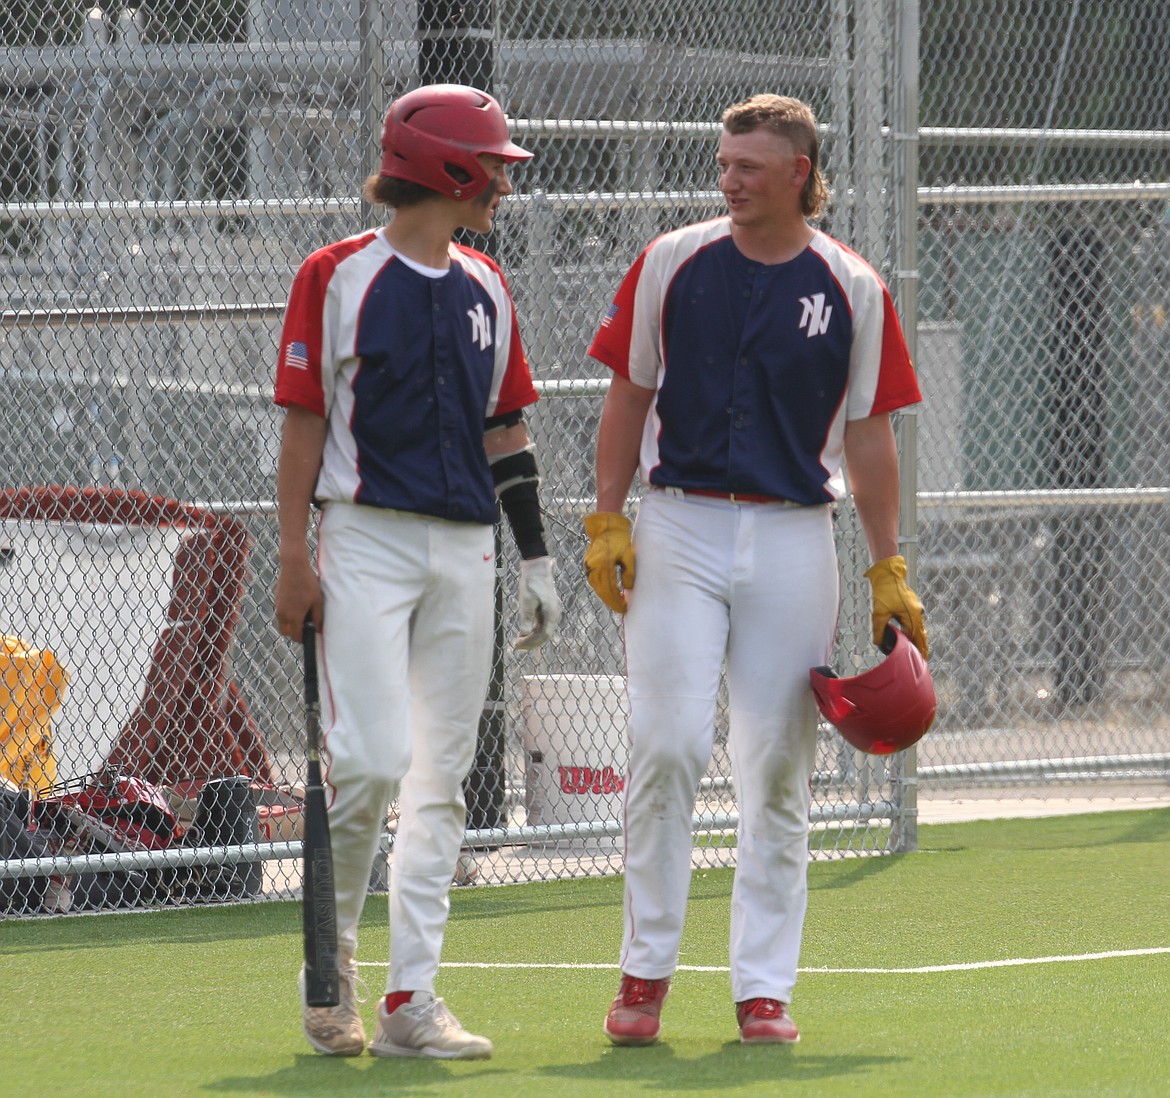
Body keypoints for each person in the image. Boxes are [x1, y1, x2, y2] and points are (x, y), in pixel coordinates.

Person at [582, 93, 928, 1047]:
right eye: (724, 162)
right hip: (680, 524)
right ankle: (645, 973)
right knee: (668, 746)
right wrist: (609, 518)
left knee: (778, 764)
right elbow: (628, 392)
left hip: (792, 534)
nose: (728, 179)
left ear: (802, 176)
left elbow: (869, 433)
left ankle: (764, 989)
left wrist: (886, 565)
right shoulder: (671, 262)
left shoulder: (852, 284)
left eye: (750, 166)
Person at [273, 83, 561, 1060]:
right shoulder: (337, 276)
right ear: (443, 167)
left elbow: (505, 428)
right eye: (490, 166)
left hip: (465, 546)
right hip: (364, 537)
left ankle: (411, 1000)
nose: (501, 185)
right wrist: (290, 555)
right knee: (367, 762)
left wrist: (536, 558)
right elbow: (305, 424)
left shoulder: (487, 284)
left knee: (445, 777)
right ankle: (333, 970)